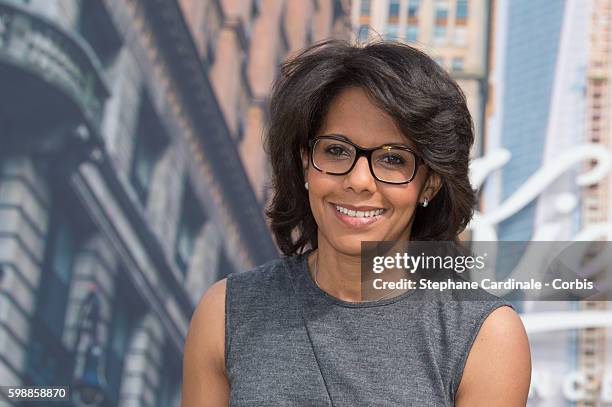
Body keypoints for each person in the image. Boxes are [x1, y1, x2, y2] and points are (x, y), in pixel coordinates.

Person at [182, 39, 531, 406]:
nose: (359, 180)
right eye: (336, 150)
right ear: (305, 162)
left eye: (393, 159)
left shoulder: (484, 337)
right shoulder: (225, 312)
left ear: (430, 182)